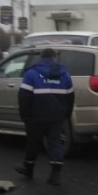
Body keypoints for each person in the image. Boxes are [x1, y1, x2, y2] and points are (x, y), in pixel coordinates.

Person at [16, 48, 75, 186]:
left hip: (35, 116)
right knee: (55, 143)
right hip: (57, 116)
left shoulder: (32, 74)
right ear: (54, 57)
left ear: (41, 57)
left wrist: (24, 114)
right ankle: (55, 175)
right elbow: (70, 97)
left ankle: (28, 169)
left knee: (33, 142)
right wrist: (66, 114)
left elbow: (24, 96)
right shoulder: (65, 74)